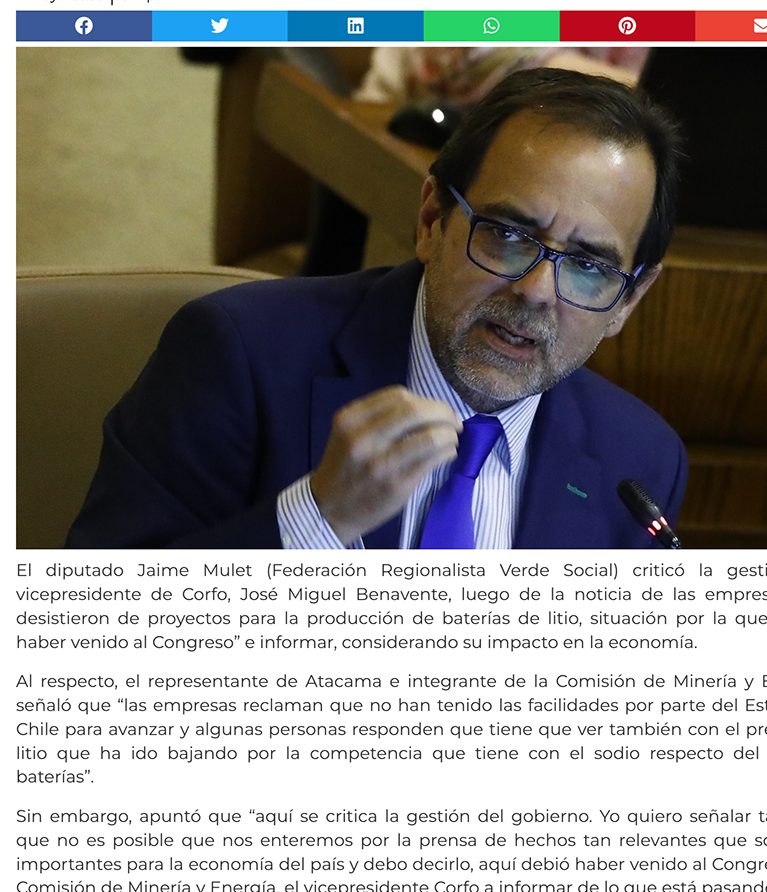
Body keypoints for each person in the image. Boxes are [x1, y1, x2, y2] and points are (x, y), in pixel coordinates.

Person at [66, 69, 687, 551]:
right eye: (508, 234)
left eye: (588, 266)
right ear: (431, 221)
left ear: (629, 300)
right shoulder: (236, 356)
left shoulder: (639, 462)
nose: (536, 290)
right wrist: (319, 520)